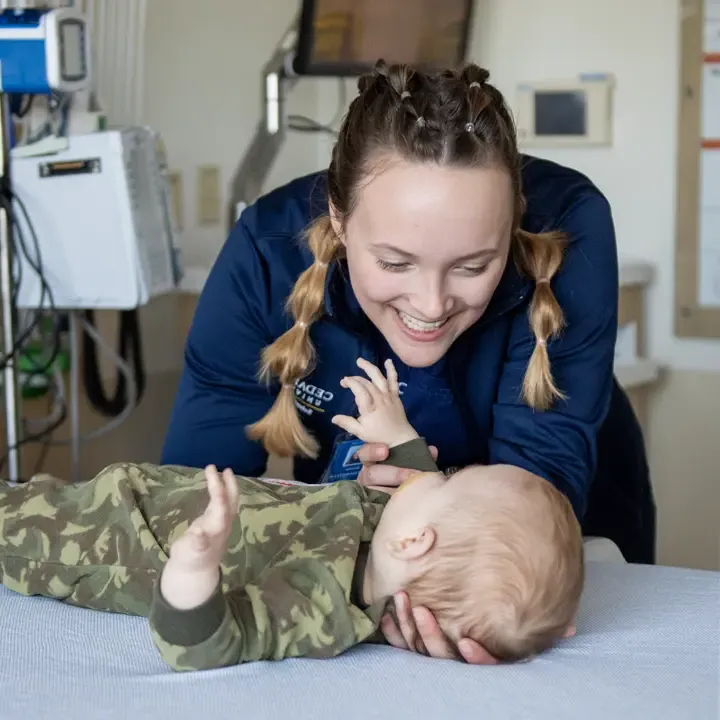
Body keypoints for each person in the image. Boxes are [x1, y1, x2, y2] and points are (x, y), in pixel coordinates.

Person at [161, 60, 655, 664]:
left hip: (533, 538)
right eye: (395, 263)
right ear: (339, 222)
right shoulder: (268, 253)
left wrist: (464, 593)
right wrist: (350, 534)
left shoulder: (567, 225)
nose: (430, 305)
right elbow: (196, 486)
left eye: (473, 266)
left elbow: (535, 485)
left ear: (513, 228)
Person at [0, 358, 583, 671]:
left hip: (109, 543)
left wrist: (193, 574)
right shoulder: (385, 537)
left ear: (417, 542)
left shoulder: (323, 604)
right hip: (135, 496)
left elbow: (210, 645)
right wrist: (397, 433)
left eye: (452, 478)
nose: (436, 471)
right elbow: (406, 488)